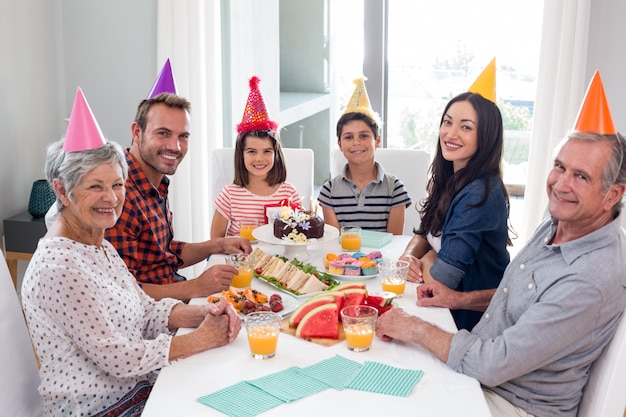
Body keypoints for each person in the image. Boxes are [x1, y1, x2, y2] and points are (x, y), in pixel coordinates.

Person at [376, 86, 626, 416]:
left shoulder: (590, 275)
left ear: (612, 195)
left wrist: (416, 328)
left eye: (581, 176)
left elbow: (494, 363)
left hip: (512, 402)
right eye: (559, 166)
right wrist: (459, 299)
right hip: (482, 372)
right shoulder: (557, 223)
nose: (561, 184)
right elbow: (516, 293)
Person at [21, 89, 241, 416]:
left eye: (117, 184)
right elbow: (120, 358)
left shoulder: (98, 244)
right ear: (62, 190)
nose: (111, 198)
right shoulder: (59, 265)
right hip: (101, 409)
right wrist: (200, 339)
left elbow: (144, 309)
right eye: (95, 186)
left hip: (138, 390)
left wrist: (200, 315)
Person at [104, 62, 251, 302]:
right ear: (137, 132)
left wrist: (217, 245)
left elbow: (163, 252)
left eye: (183, 136)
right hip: (154, 321)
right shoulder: (119, 195)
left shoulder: (154, 181)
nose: (175, 146)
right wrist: (196, 287)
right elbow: (123, 293)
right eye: (163, 133)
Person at [400, 87, 512, 331]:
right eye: (447, 123)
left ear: (486, 137)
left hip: (468, 322)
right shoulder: (453, 176)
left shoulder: (479, 194)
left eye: (466, 127)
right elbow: (424, 232)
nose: (450, 134)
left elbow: (440, 281)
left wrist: (429, 256)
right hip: (443, 311)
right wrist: (409, 256)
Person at [318, 77, 411, 235]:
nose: (356, 142)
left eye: (363, 136)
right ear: (340, 144)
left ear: (378, 141)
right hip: (342, 259)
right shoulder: (329, 191)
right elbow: (335, 241)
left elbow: (394, 241)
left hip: (384, 258)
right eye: (348, 137)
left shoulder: (395, 189)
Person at [211, 76, 299, 238]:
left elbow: (298, 234)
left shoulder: (288, 193)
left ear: (276, 154)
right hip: (240, 259)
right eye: (252, 151)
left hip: (279, 261)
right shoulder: (230, 194)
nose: (259, 158)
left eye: (267, 151)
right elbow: (216, 239)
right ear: (241, 154)